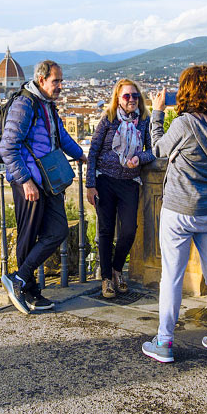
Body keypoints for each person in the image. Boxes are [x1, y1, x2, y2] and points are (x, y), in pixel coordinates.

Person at [141, 65, 207, 363]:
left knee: (172, 275)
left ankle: (165, 341)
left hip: (180, 210)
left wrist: (157, 114)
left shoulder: (183, 124)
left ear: (186, 91)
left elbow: (158, 150)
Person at [0, 60, 86, 314]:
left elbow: (59, 135)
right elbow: (8, 146)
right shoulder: (25, 104)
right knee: (28, 236)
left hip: (48, 180)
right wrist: (25, 180)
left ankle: (20, 279)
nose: (60, 85)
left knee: (57, 230)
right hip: (30, 181)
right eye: (56, 81)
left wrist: (81, 154)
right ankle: (30, 291)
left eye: (61, 80)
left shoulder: (47, 104)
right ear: (41, 80)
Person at [86, 79, 155, 298]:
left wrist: (138, 158)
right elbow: (93, 151)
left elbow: (153, 150)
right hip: (105, 180)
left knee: (128, 230)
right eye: (127, 96)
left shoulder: (144, 121)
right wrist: (90, 185)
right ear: (118, 98)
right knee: (105, 231)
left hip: (129, 182)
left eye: (135, 96)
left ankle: (117, 269)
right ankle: (107, 279)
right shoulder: (108, 119)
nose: (132, 99)